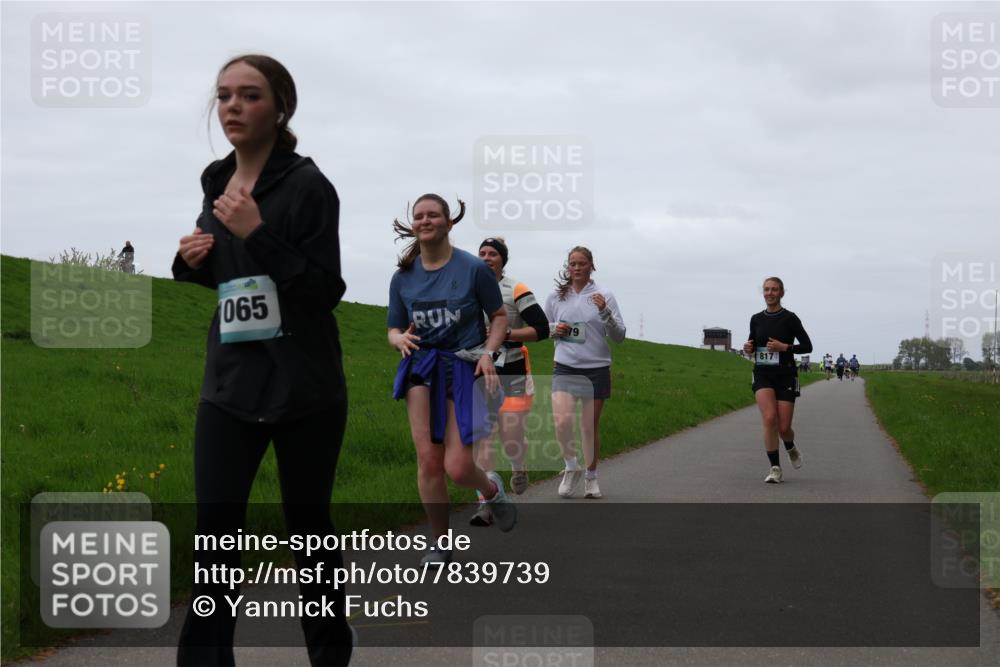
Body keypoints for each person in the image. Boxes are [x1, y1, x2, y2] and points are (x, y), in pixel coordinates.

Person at [172, 55, 353, 666]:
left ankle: (329, 658)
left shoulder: (309, 186)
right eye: (224, 95)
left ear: (279, 108)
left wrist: (258, 233)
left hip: (305, 387)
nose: (231, 106)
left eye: (248, 96)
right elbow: (228, 275)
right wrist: (190, 260)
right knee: (215, 540)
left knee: (309, 536)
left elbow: (324, 290)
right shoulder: (215, 178)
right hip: (229, 383)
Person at [387, 196, 517, 564]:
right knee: (429, 460)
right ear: (413, 225)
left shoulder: (473, 269)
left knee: (458, 468)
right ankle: (441, 544)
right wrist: (398, 339)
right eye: (419, 216)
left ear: (448, 223)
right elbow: (393, 328)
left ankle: (492, 491)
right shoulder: (402, 277)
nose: (425, 220)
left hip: (463, 366)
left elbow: (498, 316)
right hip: (421, 368)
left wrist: (488, 353)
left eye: (433, 215)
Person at [470, 237, 550, 526]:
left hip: (513, 367)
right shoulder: (470, 286)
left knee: (511, 434)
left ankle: (519, 464)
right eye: (481, 253)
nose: (486, 257)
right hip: (480, 367)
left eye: (492, 254)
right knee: (484, 436)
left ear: (503, 259)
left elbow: (541, 328)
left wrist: (507, 335)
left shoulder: (516, 289)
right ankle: (486, 503)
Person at [544, 246, 626, 499]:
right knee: (562, 420)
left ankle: (591, 477)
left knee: (588, 426)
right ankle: (571, 467)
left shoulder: (604, 294)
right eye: (572, 263)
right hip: (565, 366)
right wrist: (554, 328)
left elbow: (619, 336)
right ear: (567, 267)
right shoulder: (556, 296)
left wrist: (605, 312)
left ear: (592, 266)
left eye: (582, 263)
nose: (577, 268)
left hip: (596, 367)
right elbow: (541, 327)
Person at [741, 277, 813, 484]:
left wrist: (785, 348)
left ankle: (790, 446)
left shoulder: (790, 318)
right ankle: (775, 468)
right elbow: (754, 343)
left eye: (774, 290)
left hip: (786, 374)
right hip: (763, 373)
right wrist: (749, 348)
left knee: (783, 428)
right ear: (763, 292)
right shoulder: (756, 318)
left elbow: (807, 346)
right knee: (769, 418)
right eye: (766, 289)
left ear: (782, 293)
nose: (770, 293)